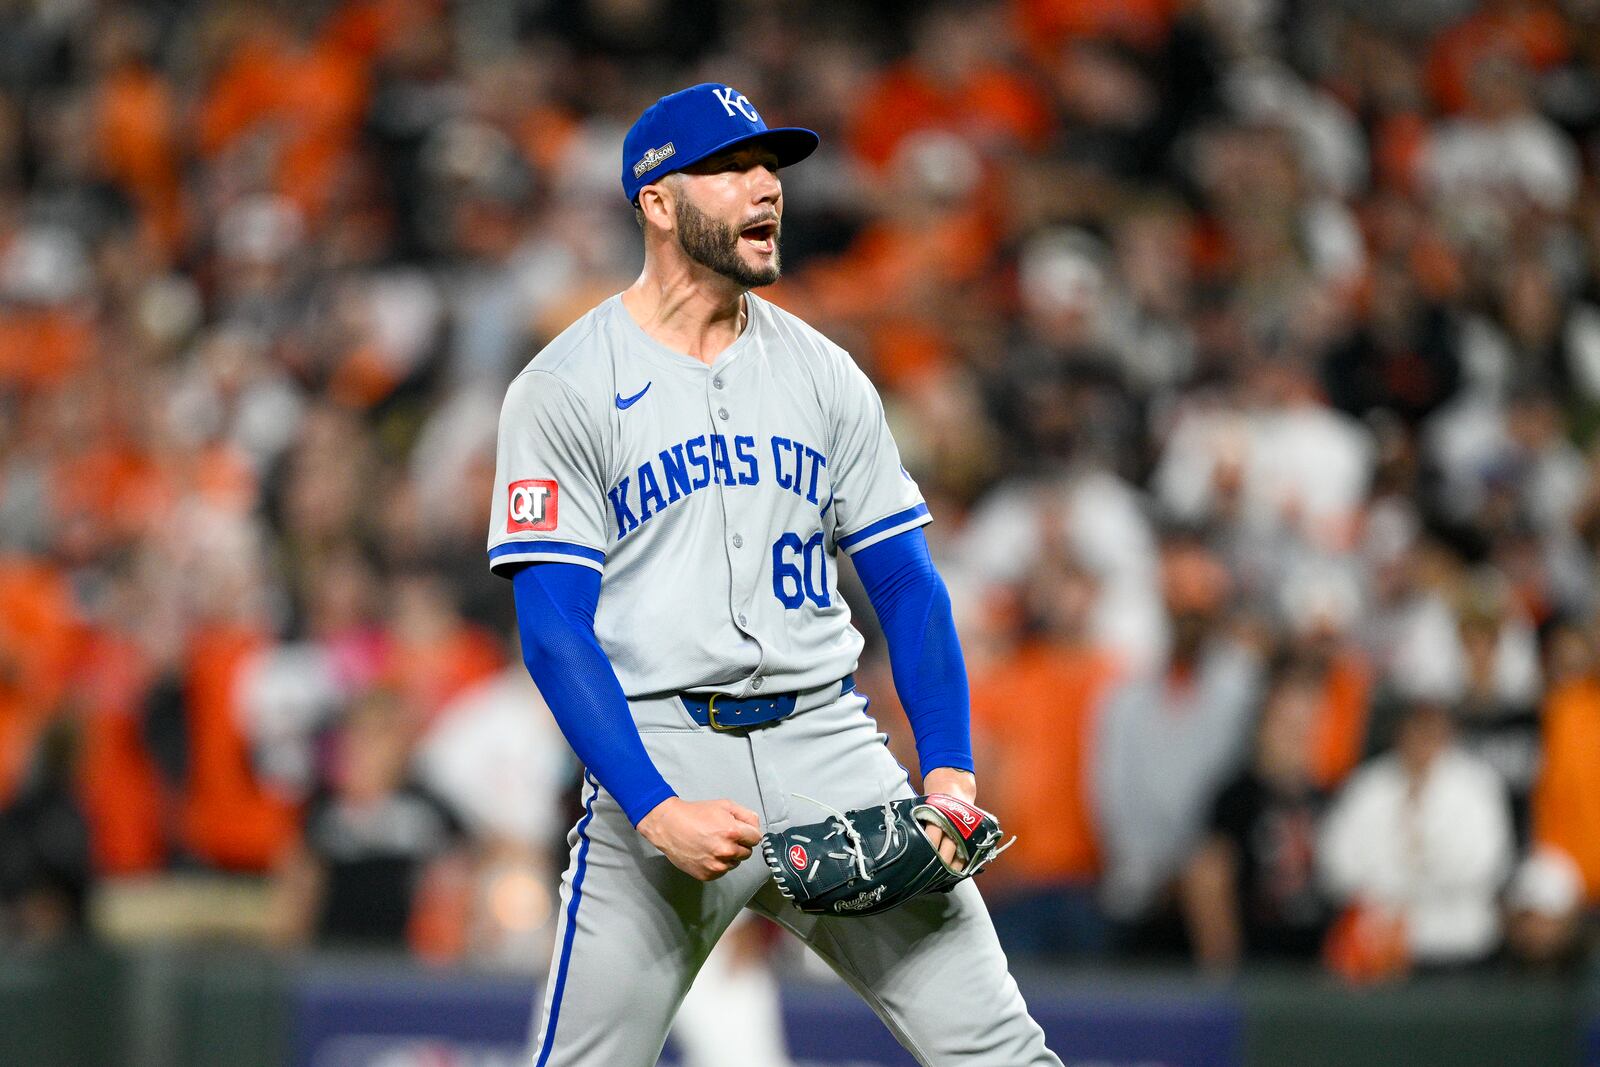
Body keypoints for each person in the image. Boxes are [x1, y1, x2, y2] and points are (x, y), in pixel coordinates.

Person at [486, 84, 1061, 1067]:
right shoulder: (564, 386)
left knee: (1002, 1051)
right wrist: (655, 804)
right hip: (659, 747)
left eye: (770, 168)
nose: (764, 189)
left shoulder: (824, 372)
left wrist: (951, 773)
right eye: (729, 169)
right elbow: (552, 626)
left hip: (826, 740)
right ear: (657, 202)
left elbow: (909, 586)